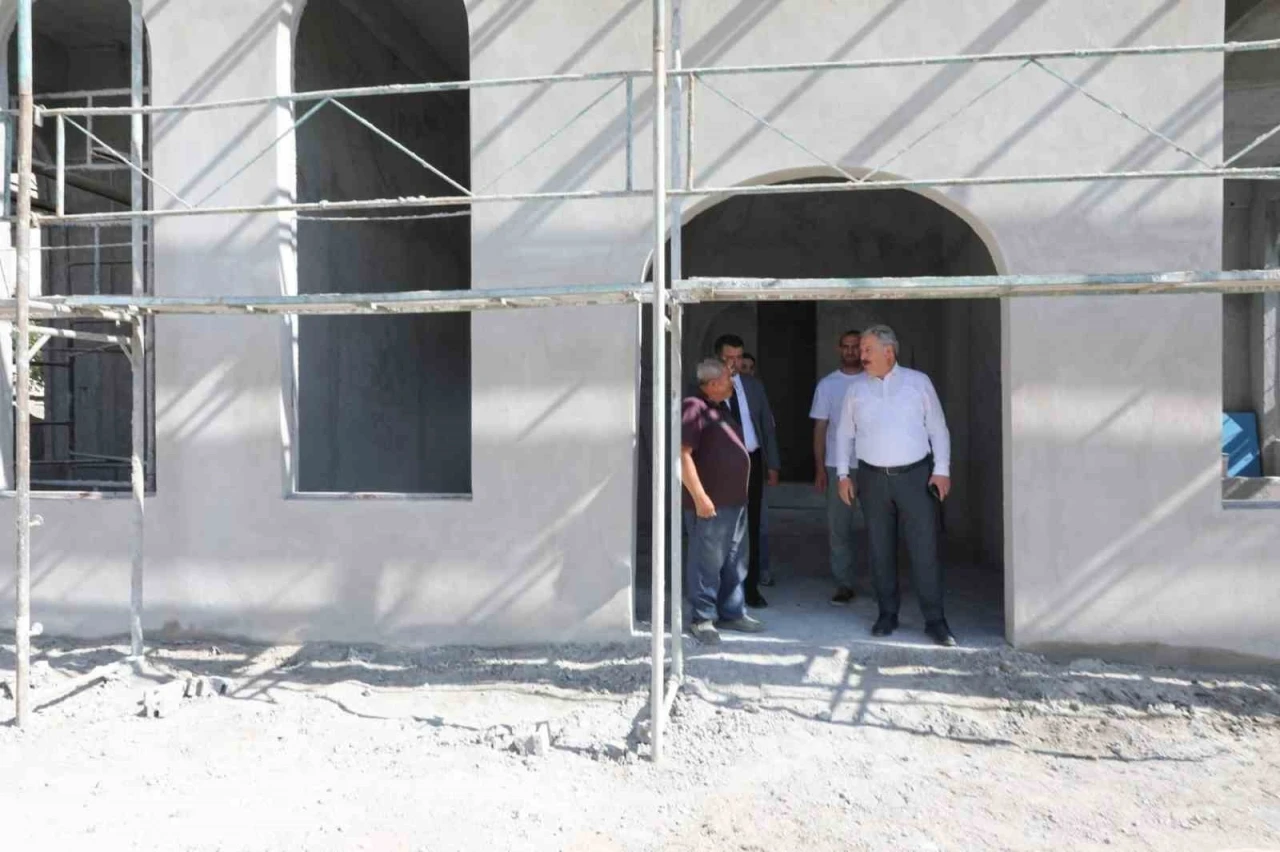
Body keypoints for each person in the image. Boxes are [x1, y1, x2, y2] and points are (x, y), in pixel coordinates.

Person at [833, 325, 957, 647]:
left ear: (888, 352)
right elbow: (844, 434)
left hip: (916, 477)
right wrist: (843, 475)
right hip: (872, 479)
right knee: (880, 549)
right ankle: (887, 614)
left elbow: (938, 428)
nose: (861, 356)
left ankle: (935, 620)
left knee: (924, 548)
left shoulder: (918, 383)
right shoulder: (856, 390)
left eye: (867, 350)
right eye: (861, 350)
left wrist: (941, 470)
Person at [680, 358, 767, 645]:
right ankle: (702, 618)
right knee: (707, 561)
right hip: (711, 503)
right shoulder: (694, 406)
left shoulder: (720, 408)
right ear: (713, 383)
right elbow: (682, 455)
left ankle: (732, 612)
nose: (733, 383)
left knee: (734, 559)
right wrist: (700, 496)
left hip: (734, 502)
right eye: (729, 378)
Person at [713, 334, 781, 609]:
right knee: (722, 528)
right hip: (721, 466)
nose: (734, 362)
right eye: (728, 357)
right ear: (717, 358)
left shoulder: (753, 386)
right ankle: (723, 589)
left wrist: (773, 464)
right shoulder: (708, 387)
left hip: (752, 461)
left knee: (752, 526)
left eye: (738, 357)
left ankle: (750, 588)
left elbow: (766, 426)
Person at [810, 329, 864, 606]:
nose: (851, 351)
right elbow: (820, 428)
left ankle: (884, 583)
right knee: (839, 528)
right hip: (837, 466)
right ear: (839, 349)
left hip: (874, 465)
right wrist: (820, 468)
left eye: (856, 346)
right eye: (846, 346)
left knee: (881, 526)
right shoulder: (828, 385)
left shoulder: (873, 380)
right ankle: (844, 583)